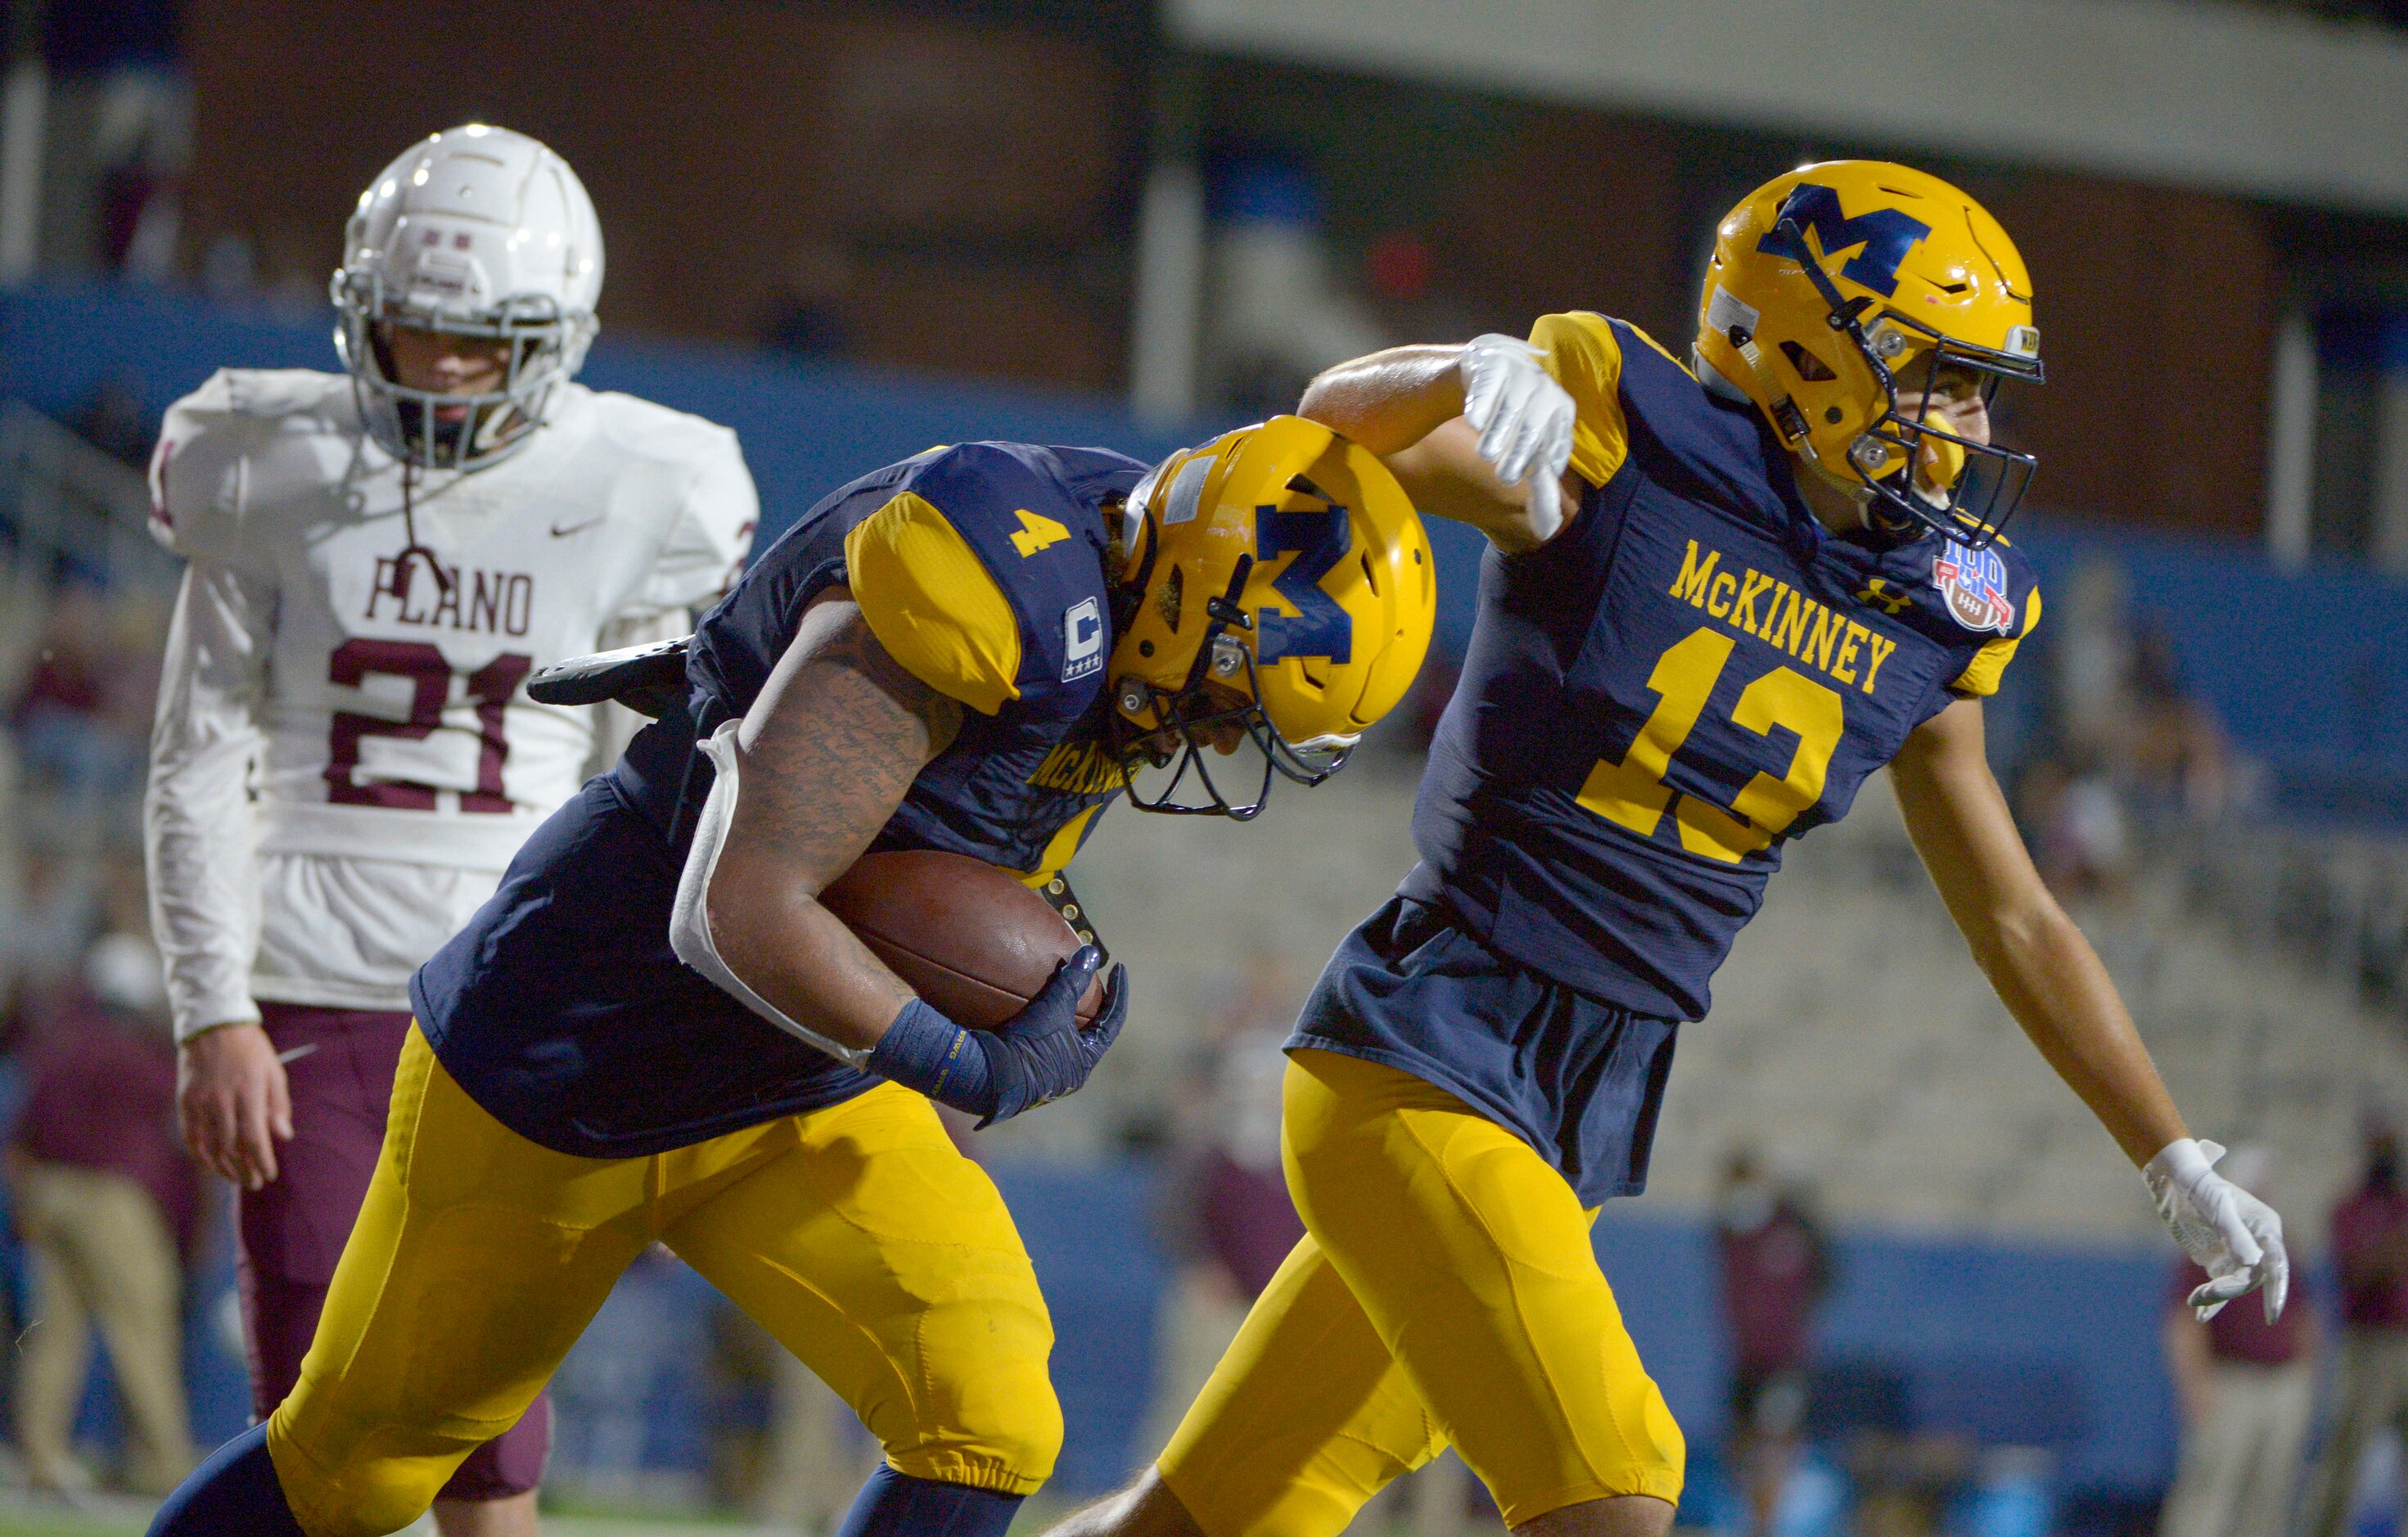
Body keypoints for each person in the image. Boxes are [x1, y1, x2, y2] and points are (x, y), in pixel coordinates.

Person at [1041, 160, 2289, 1537]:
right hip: (1427, 1054)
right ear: (1808, 345)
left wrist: (2167, 1153)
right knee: (1619, 1481)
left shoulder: (1932, 606)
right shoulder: (1622, 443)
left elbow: (2015, 914)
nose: (1969, 421)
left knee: (1212, 1513)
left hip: (1567, 1114)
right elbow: (1323, 438)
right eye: (1939, 374)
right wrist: (1466, 371)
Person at [144, 411, 1436, 1537]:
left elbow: (942, 853)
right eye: (1235, 688)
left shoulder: (1156, 561)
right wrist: (966, 1060)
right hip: (577, 1051)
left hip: (801, 1087)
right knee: (354, 1475)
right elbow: (739, 904)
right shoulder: (1002, 576)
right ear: (1192, 587)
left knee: (988, 1415)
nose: (1229, 726)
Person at [142, 124, 760, 1537]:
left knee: (493, 1440)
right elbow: (197, 755)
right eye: (414, 330)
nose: (441, 367)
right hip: (310, 979)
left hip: (509, 986)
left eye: (482, 341)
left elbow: (642, 761)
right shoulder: (266, 462)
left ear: (558, 337)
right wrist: (208, 1008)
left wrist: (630, 975)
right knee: (316, 1433)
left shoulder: (636, 481)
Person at [7, 931, 201, 1496]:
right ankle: (159, 1463)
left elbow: (24, 1130)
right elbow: (180, 1131)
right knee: (142, 1327)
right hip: (114, 1200)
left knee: (55, 1333)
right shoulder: (139, 1054)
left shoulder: (59, 1043)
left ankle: (41, 1457)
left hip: (49, 1192)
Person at [2158, 1145, 2316, 1537]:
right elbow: (2185, 1321)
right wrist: (2195, 1384)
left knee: (2269, 1496)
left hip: (2281, 1383)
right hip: (2230, 1382)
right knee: (2211, 1492)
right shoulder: (2208, 1246)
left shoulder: (2282, 1243)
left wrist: (2306, 1377)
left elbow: (2302, 1314)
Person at [1716, 1150, 1831, 1537]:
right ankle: (1749, 1517)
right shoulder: (1734, 1233)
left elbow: (1826, 1271)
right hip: (1746, 1358)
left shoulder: (1792, 1230)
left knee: (1774, 1441)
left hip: (1785, 1362)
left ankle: (1764, 1527)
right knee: (1741, 1442)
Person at [2301, 1122, 2408, 1537]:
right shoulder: (2350, 1208)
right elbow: (2354, 1274)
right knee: (2345, 1451)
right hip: (2367, 1344)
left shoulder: (2402, 1205)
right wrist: (2391, 1252)